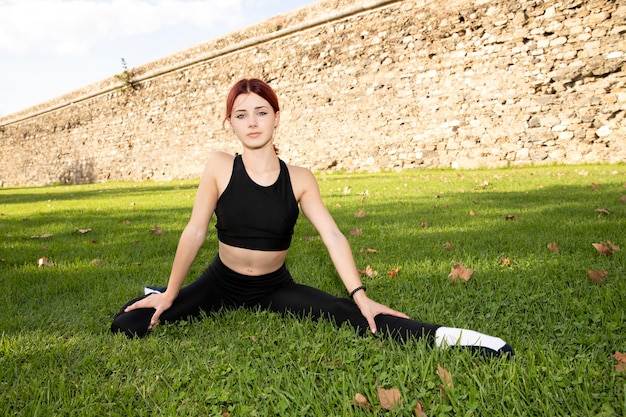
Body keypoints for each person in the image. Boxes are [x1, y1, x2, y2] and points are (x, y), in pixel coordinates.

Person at [111, 78, 513, 357]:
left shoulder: (300, 178)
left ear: (276, 117)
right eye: (241, 115)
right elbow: (195, 230)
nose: (252, 122)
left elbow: (333, 236)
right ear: (230, 123)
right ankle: (158, 290)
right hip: (220, 283)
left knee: (354, 317)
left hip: (274, 287)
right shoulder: (219, 166)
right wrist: (171, 293)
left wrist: (362, 295)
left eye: (261, 112)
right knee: (127, 324)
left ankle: (451, 338)